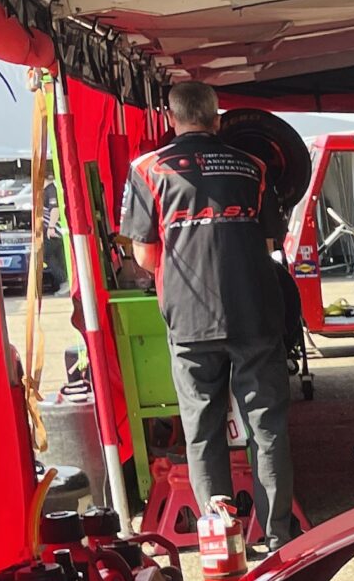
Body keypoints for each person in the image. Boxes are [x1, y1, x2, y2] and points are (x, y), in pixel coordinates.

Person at [120, 80, 297, 546]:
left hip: (189, 317)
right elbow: (268, 241)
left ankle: (221, 539)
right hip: (255, 312)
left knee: (202, 430)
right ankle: (277, 537)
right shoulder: (254, 166)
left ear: (171, 118)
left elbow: (144, 255)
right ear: (218, 119)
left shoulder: (147, 169)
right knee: (267, 428)